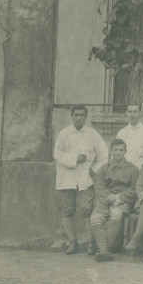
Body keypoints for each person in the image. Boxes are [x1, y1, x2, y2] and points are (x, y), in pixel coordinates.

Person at [52, 105, 108, 255]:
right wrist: (74, 159)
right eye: (76, 115)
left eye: (81, 115)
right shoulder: (64, 134)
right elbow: (57, 154)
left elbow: (104, 155)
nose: (78, 118)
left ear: (86, 116)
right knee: (68, 210)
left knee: (88, 210)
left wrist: (94, 169)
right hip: (67, 178)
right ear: (72, 116)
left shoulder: (92, 134)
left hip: (85, 178)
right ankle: (72, 243)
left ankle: (91, 243)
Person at [90, 139, 140, 262]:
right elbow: (99, 187)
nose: (118, 153)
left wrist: (120, 197)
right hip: (106, 200)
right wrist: (110, 197)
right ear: (111, 151)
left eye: (121, 150)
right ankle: (105, 251)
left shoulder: (133, 169)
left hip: (123, 201)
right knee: (95, 218)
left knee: (116, 213)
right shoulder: (103, 169)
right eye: (115, 150)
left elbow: (135, 189)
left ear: (125, 151)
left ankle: (104, 250)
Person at [116, 104, 143, 168]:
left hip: (141, 171)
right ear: (126, 113)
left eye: (135, 112)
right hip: (125, 171)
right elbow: (116, 153)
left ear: (140, 113)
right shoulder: (121, 133)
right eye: (130, 112)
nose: (132, 115)